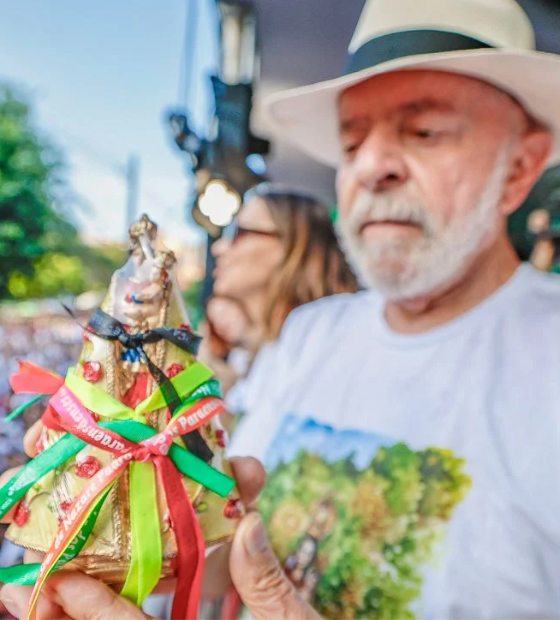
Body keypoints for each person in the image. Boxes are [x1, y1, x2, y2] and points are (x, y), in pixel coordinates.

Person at [4, 0, 560, 617]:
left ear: (520, 165)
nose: (370, 168)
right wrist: (112, 521)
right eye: (352, 144)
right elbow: (234, 542)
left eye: (424, 130)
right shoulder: (314, 331)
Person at [202, 183, 358, 407]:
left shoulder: (330, 356)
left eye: (238, 233)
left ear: (294, 244)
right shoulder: (261, 359)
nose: (219, 248)